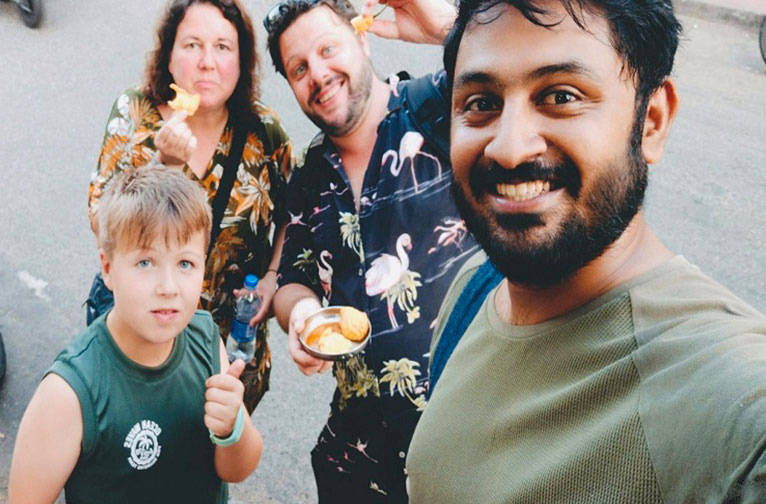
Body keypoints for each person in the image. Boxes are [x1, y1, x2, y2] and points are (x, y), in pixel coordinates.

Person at [405, 0, 766, 502]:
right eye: (482, 102)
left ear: (652, 121)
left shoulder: (728, 400)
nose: (509, 148)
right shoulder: (473, 287)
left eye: (561, 96)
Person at [264, 0, 478, 500]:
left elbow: (525, 67)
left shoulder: (440, 107)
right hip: (358, 463)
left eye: (327, 49)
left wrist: (449, 29)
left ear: (362, 38)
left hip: (470, 452)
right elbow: (291, 279)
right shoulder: (309, 177)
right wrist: (301, 314)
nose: (318, 74)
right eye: (299, 68)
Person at [9, 167, 261, 503]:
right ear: (108, 268)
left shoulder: (205, 337)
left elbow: (237, 470)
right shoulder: (70, 392)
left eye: (185, 264)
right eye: (145, 262)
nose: (168, 287)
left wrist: (232, 428)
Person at [88, 0, 294, 412]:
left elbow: (296, 213)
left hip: (229, 345)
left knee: (220, 439)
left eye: (223, 47)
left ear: (241, 62)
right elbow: (101, 220)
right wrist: (161, 165)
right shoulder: (136, 113)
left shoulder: (262, 131)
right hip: (145, 338)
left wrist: (273, 276)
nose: (207, 62)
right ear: (169, 55)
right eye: (192, 45)